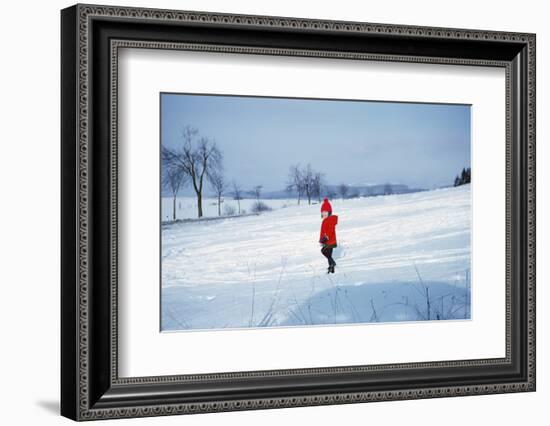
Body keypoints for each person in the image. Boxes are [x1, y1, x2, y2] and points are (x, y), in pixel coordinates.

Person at [319, 198, 338, 273]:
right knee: (328, 254)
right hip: (328, 241)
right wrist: (322, 239)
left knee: (323, 251)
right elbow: (324, 231)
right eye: (322, 212)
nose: (324, 213)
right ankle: (331, 268)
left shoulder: (329, 220)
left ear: (329, 212)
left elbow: (330, 230)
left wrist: (326, 237)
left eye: (326, 212)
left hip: (329, 241)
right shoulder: (326, 220)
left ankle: (332, 263)